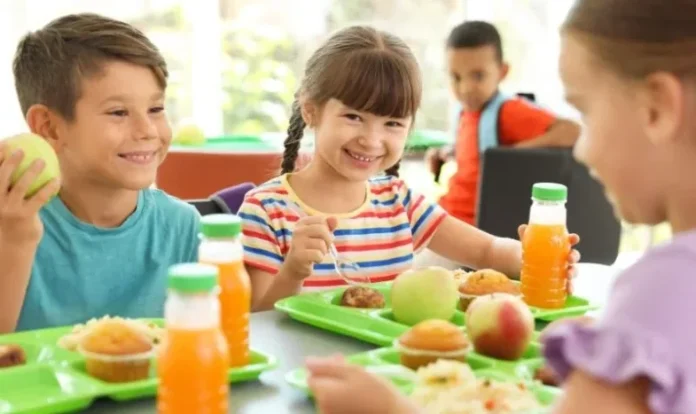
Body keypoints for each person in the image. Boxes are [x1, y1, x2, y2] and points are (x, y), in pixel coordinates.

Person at [305, 0, 696, 413]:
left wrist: (394, 410)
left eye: (586, 111)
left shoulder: (663, 287)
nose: (580, 150)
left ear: (657, 107)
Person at [238, 25, 579, 312]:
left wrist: (536, 259)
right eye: (354, 117)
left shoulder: (398, 201)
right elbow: (259, 320)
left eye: (392, 123)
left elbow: (486, 251)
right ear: (311, 111)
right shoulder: (266, 210)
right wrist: (294, 271)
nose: (372, 140)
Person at [0, 13, 200, 333]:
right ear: (49, 127)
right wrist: (15, 242)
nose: (147, 130)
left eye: (156, 109)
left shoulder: (184, 226)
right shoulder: (11, 222)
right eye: (118, 112)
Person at [427, 21, 580, 227]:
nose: (465, 88)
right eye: (456, 77)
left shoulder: (509, 111)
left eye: (478, 76)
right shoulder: (465, 112)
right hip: (447, 215)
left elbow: (572, 131)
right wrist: (447, 153)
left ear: (502, 72)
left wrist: (511, 156)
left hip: (471, 228)